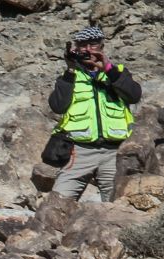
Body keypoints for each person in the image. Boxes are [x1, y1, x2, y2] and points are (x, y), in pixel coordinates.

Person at [47, 26, 141, 203]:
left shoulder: (116, 72)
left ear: (102, 46)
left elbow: (134, 95)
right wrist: (70, 70)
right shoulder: (70, 75)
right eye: (83, 45)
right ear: (76, 48)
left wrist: (108, 69)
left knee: (115, 204)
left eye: (93, 44)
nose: (88, 49)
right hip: (79, 151)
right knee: (57, 202)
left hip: (114, 152)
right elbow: (57, 106)